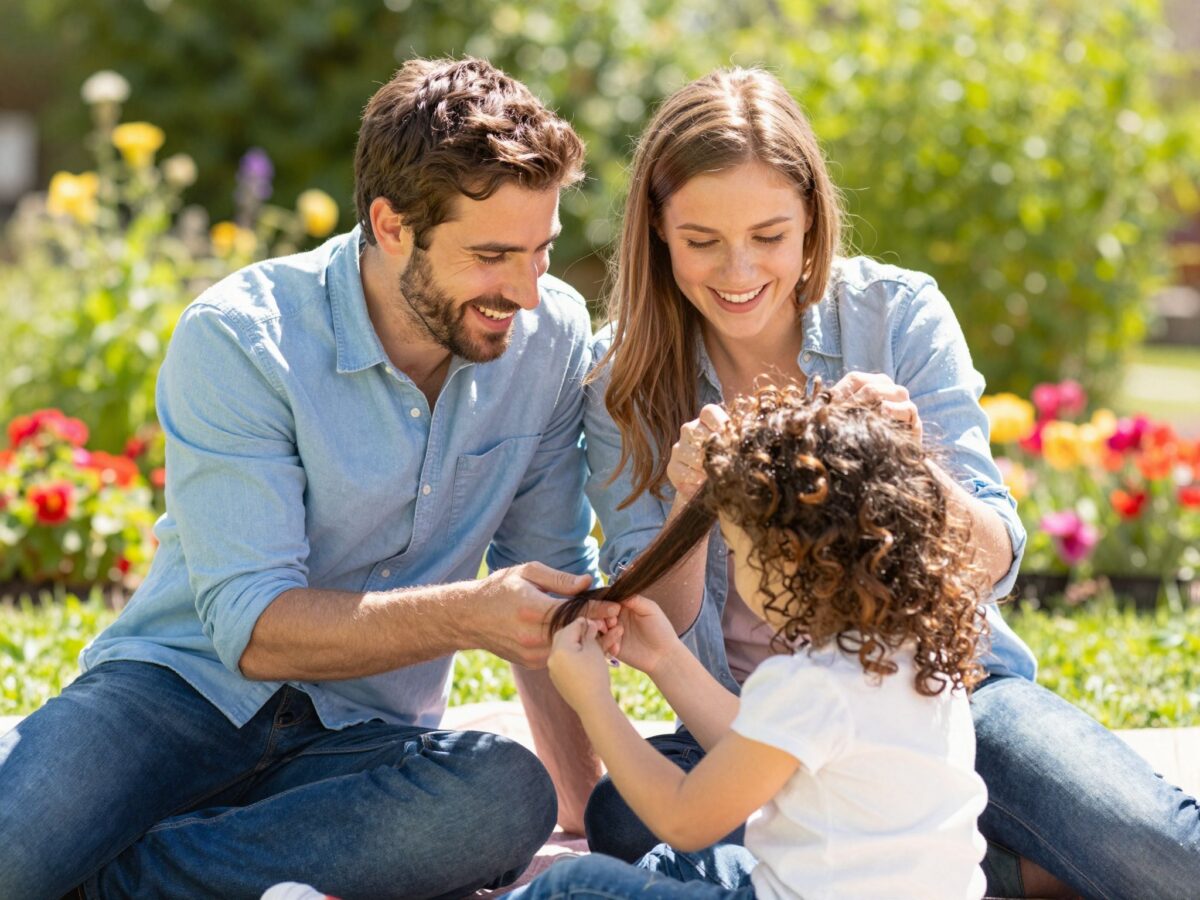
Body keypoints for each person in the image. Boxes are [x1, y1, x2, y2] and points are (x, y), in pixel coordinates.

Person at [0, 57, 615, 900]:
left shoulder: (549, 339)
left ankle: (114, 882)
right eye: (492, 255)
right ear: (391, 225)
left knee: (505, 797)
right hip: (176, 695)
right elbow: (252, 630)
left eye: (541, 251)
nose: (527, 290)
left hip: (360, 735)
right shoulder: (242, 338)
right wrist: (471, 615)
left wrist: (585, 807)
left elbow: (552, 581)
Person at [582, 67, 1200, 898]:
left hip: (939, 696)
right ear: (656, 230)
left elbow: (996, 561)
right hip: (752, 721)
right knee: (626, 815)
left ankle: (961, 861)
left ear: (812, 221)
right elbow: (661, 631)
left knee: (1162, 854)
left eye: (770, 235)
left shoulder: (895, 314)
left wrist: (912, 468)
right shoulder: (621, 376)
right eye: (702, 241)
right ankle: (991, 871)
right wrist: (694, 512)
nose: (738, 271)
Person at [517, 385, 991, 899]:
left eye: (739, 553)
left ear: (787, 558)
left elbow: (684, 817)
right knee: (674, 865)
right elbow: (759, 747)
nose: (737, 567)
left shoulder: (809, 681)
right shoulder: (912, 653)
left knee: (573, 885)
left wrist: (593, 701)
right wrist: (663, 656)